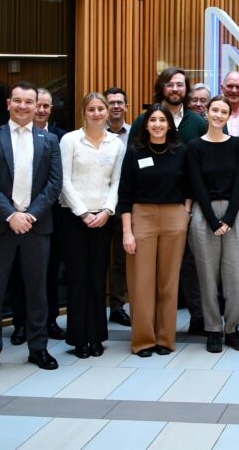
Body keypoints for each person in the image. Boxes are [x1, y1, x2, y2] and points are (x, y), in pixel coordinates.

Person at [0, 81, 63, 379]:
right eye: (18, 101)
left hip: (36, 229)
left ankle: (38, 348)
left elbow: (54, 184)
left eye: (29, 101)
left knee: (37, 292)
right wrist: (11, 215)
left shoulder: (48, 141)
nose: (24, 106)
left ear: (37, 105)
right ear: (8, 104)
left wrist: (30, 216)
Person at [129, 68, 208, 336]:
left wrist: (189, 207)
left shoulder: (197, 122)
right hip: (147, 208)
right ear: (161, 88)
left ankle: (197, 316)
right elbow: (131, 163)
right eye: (170, 85)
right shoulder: (144, 119)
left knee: (191, 263)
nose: (175, 89)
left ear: (186, 90)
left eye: (180, 85)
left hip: (186, 206)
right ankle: (148, 327)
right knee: (149, 271)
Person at [118, 104, 191, 357]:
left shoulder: (181, 151)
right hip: (142, 216)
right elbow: (124, 195)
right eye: (153, 120)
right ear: (145, 124)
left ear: (170, 125)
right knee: (141, 282)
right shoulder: (135, 152)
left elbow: (189, 187)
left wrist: (185, 214)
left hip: (174, 217)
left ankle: (165, 339)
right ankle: (143, 340)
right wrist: (127, 232)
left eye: (163, 120)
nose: (158, 124)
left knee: (168, 283)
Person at [58, 92, 126, 359]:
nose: (97, 113)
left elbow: (117, 182)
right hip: (74, 217)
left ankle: (96, 336)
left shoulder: (115, 144)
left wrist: (107, 210)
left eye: (101, 109)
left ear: (108, 112)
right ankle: (78, 338)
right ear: (83, 113)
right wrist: (84, 213)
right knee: (78, 277)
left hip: (104, 218)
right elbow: (64, 180)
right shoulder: (70, 140)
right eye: (92, 109)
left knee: (98, 277)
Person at [186, 95, 239, 353]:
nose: (218, 115)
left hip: (235, 213)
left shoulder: (236, 144)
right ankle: (213, 328)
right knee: (207, 274)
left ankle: (232, 328)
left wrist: (229, 218)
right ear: (207, 112)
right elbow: (196, 185)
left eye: (224, 111)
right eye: (214, 110)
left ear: (228, 115)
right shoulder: (194, 146)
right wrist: (214, 221)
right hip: (205, 214)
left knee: (237, 275)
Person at [6, 87, 66, 345]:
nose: (40, 110)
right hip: (14, 218)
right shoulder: (7, 137)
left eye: (45, 106)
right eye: (37, 104)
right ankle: (20, 323)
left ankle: (49, 320)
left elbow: (57, 180)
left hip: (49, 218)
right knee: (18, 274)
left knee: (48, 273)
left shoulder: (60, 138)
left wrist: (35, 212)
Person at [104, 87, 131, 327]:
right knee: (99, 258)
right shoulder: (93, 133)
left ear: (126, 106)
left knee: (122, 261)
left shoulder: (134, 134)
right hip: (98, 206)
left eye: (119, 102)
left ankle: (117, 306)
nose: (115, 106)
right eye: (110, 102)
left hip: (125, 206)